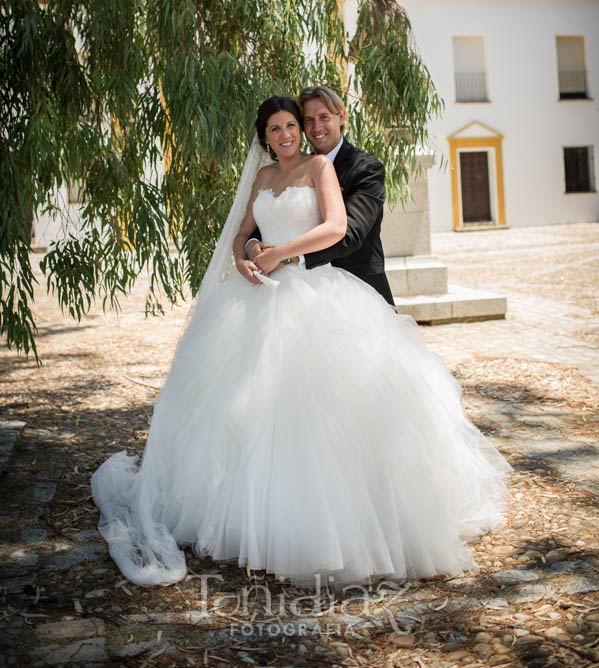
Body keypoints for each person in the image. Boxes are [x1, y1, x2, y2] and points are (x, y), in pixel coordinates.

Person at [91, 95, 511, 591]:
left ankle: (351, 520)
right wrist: (249, 254)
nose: (290, 133)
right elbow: (243, 232)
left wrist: (281, 255)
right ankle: (246, 513)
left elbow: (338, 227)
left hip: (317, 291)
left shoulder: (321, 168)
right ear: (264, 136)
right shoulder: (264, 179)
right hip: (259, 299)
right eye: (279, 127)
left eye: (296, 124)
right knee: (244, 408)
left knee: (327, 407)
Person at [237, 85, 394, 306]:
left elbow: (350, 235)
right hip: (280, 286)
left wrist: (287, 257)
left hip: (358, 286)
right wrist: (251, 245)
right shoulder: (290, 169)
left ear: (341, 117)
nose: (317, 127)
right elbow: (265, 221)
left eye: (324, 117)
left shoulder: (366, 169)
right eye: (309, 120)